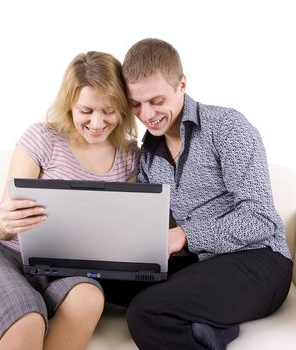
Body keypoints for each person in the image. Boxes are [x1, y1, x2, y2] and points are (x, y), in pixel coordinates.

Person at [0, 51, 139, 350]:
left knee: (89, 297)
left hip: (61, 268)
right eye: (86, 110)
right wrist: (4, 221)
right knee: (27, 316)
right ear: (70, 104)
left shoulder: (130, 156)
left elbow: (118, 231)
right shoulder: (43, 138)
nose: (98, 122)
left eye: (109, 110)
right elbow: (2, 224)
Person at [120, 38, 293, 349]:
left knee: (146, 312)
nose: (146, 114)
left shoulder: (227, 127)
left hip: (259, 261)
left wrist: (184, 235)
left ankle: (205, 324)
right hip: (199, 265)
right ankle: (210, 328)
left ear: (182, 84)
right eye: (136, 104)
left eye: (157, 100)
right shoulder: (147, 153)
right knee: (102, 282)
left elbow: (261, 219)